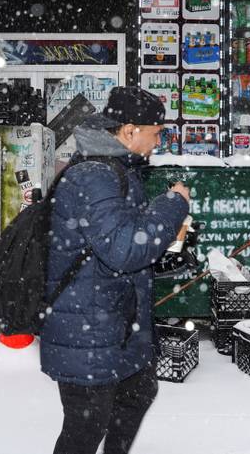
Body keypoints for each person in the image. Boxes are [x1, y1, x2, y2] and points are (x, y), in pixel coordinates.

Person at [40, 86, 191, 454]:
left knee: (138, 392)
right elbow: (124, 250)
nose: (158, 143)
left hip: (112, 321)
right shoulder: (95, 176)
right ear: (128, 131)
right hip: (87, 327)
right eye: (155, 134)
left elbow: (118, 240)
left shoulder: (113, 169)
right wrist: (173, 206)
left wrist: (167, 234)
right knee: (85, 427)